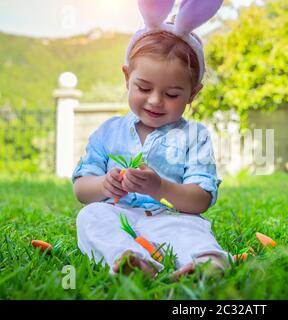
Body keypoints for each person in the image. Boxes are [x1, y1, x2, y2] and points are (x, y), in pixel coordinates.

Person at [72, 0, 229, 279]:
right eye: (143, 88)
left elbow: (200, 200)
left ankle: (207, 264)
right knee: (90, 218)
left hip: (172, 218)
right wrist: (104, 184)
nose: (155, 101)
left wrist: (160, 187)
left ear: (193, 93)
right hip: (118, 215)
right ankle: (129, 259)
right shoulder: (108, 131)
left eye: (172, 94)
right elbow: (82, 191)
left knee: (192, 229)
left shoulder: (194, 136)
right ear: (126, 78)